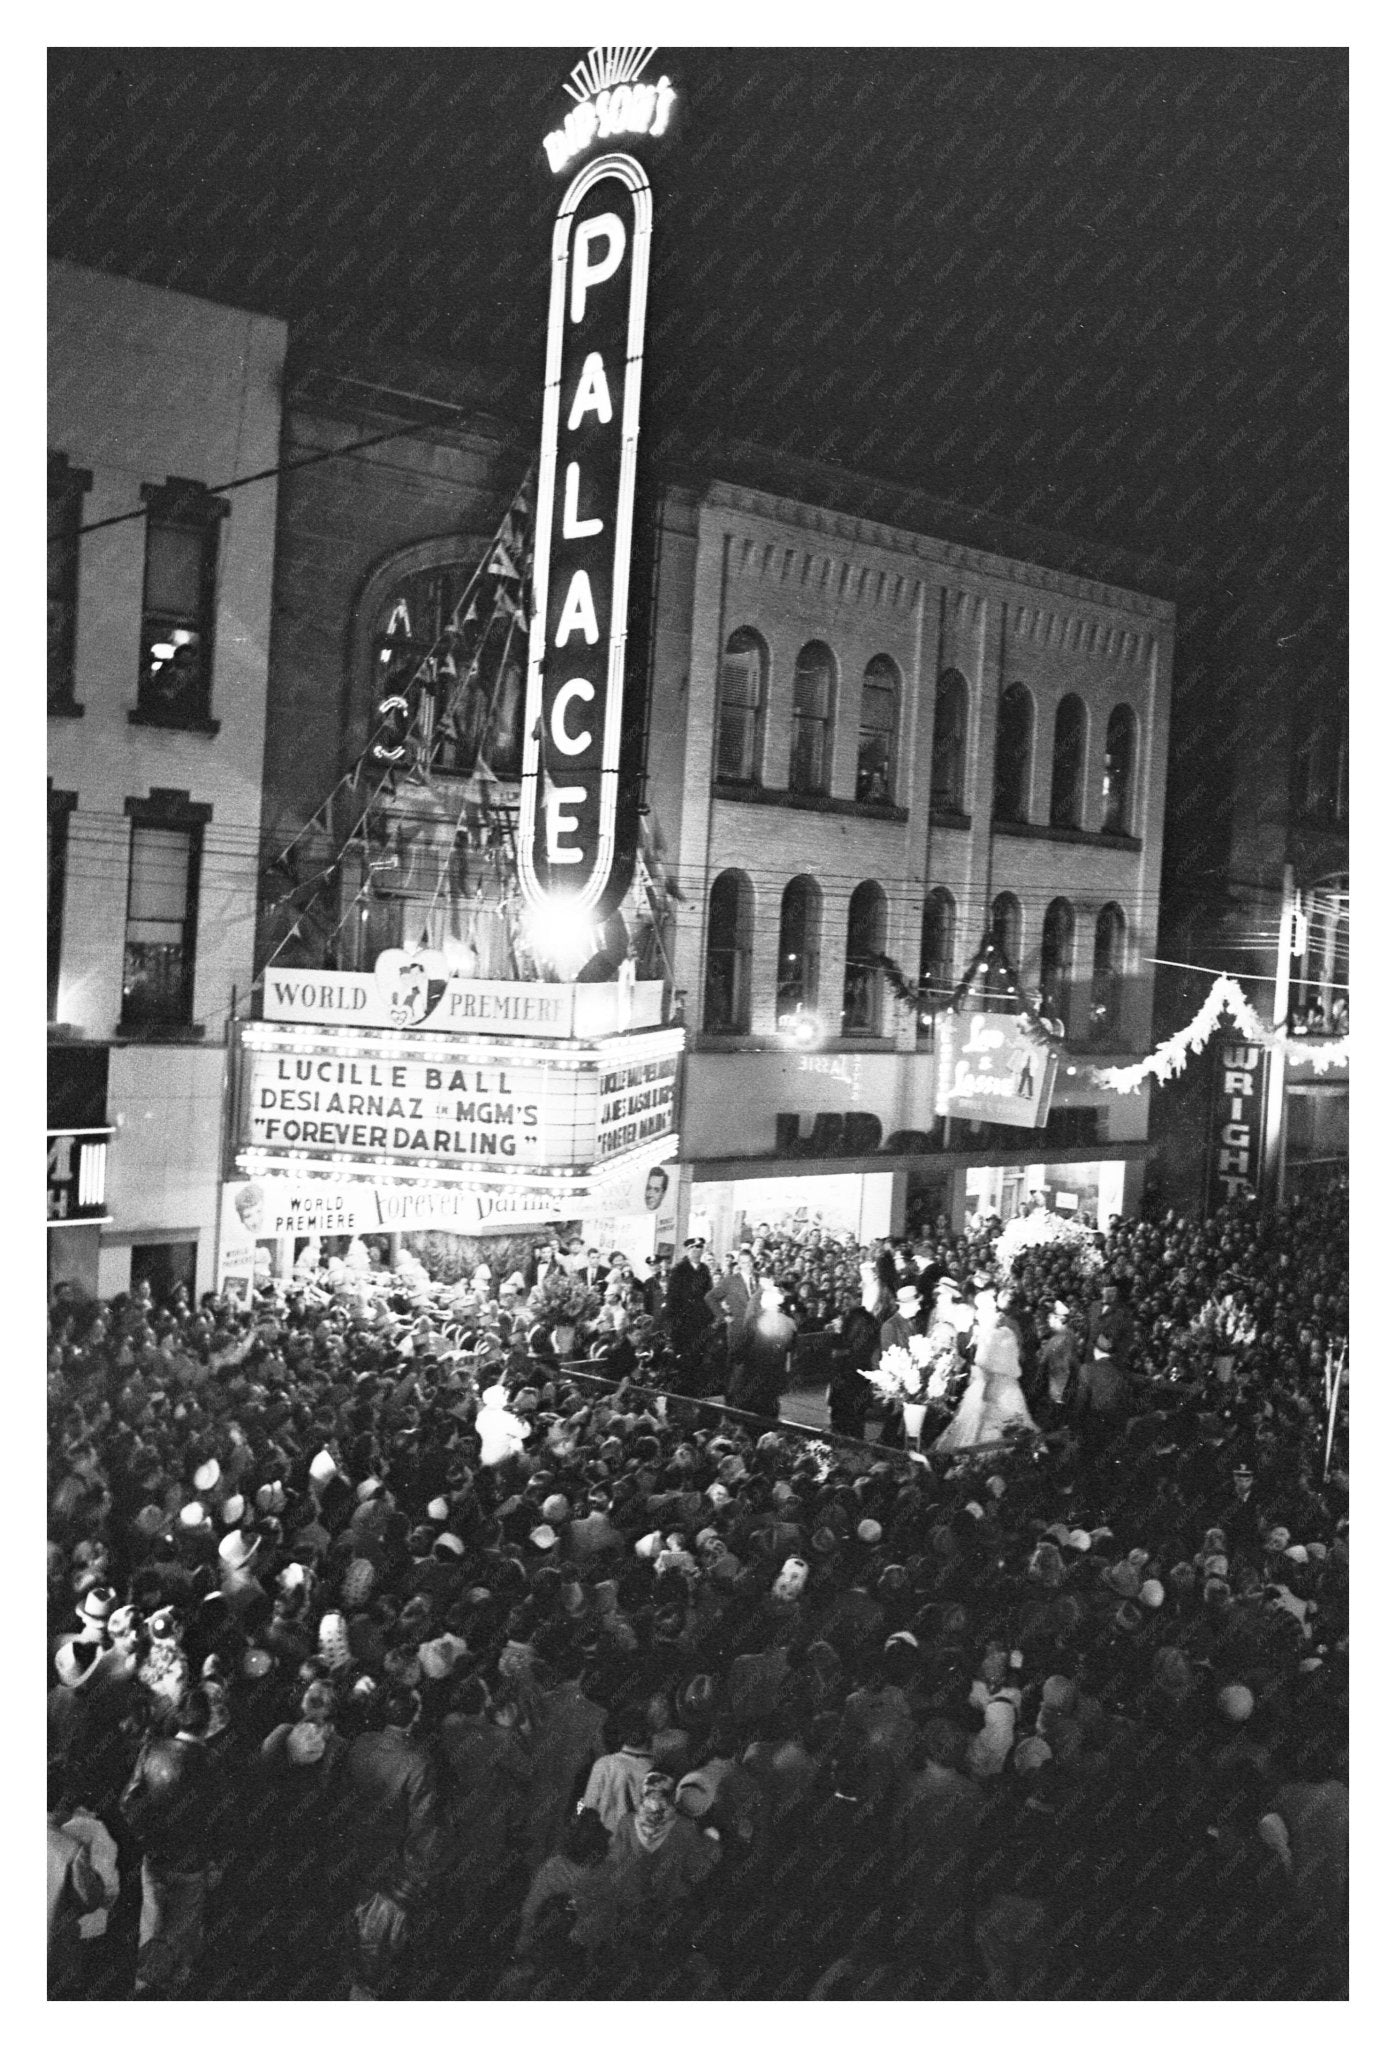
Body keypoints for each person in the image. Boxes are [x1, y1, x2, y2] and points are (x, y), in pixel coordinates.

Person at [934, 1288, 1038, 1452]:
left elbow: (983, 1364)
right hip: (1010, 1388)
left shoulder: (990, 1336)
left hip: (987, 1386)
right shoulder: (1008, 1333)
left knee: (982, 1426)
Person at [728, 1281, 796, 1422]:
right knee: (770, 1406)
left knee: (751, 1409)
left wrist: (733, 1359)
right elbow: (791, 1347)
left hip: (754, 1372)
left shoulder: (755, 1321)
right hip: (775, 1372)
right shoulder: (789, 1322)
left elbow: (741, 1348)